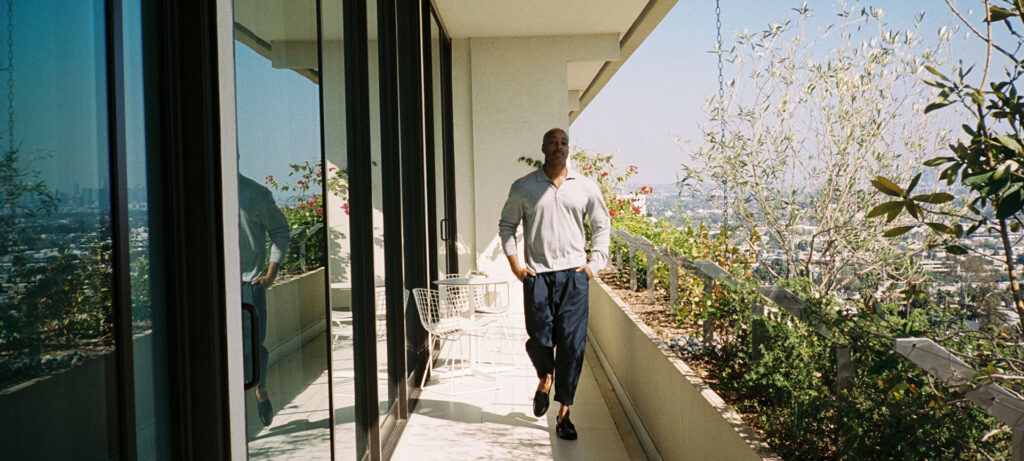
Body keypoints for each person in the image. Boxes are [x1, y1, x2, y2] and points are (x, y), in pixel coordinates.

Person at [498, 128, 610, 440]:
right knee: (540, 339)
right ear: (543, 148)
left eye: (563, 142)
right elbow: (507, 225)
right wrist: (517, 267)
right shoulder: (525, 187)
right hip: (538, 277)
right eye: (553, 142)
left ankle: (564, 414)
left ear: (568, 149)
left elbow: (602, 225)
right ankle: (545, 377)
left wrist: (593, 267)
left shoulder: (585, 186)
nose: (558, 146)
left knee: (572, 346)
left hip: (574, 277)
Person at [238, 173, 290, 427]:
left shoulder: (256, 193)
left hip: (249, 285)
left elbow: (280, 231)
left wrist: (271, 274)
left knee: (254, 347)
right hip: (214, 288)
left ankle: (261, 390)